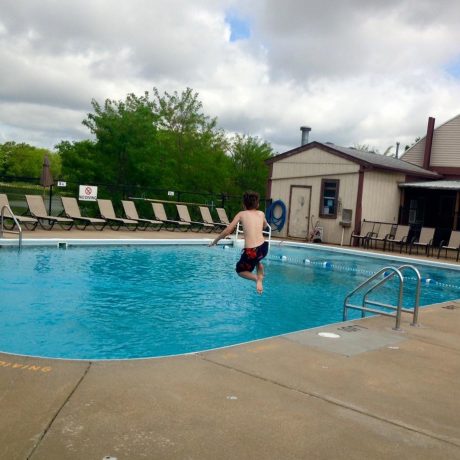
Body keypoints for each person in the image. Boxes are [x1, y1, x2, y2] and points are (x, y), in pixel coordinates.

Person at [209, 191, 269, 294]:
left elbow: (228, 231)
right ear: (257, 204)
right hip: (264, 248)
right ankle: (259, 266)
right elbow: (265, 226)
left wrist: (215, 241)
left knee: (240, 271)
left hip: (252, 251)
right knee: (255, 259)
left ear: (244, 205)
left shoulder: (241, 214)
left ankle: (257, 279)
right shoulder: (261, 213)